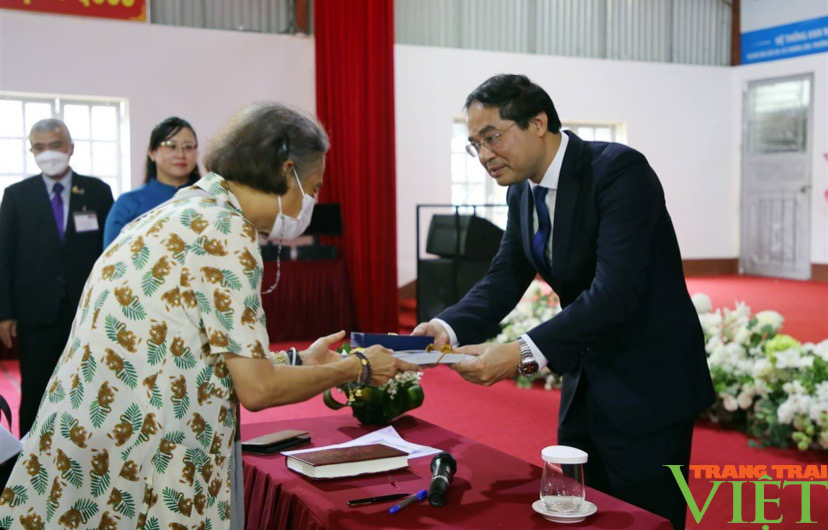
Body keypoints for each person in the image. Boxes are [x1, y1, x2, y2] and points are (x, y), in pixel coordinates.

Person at [0, 103, 418, 529]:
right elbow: (256, 389)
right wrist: (358, 366)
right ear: (286, 171)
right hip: (139, 456)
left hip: (87, 451)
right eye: (312, 186)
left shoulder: (180, 211)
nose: (311, 200)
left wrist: (299, 361)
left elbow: (188, 351)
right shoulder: (225, 232)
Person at [413, 74, 714, 530]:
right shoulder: (522, 191)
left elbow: (616, 294)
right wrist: (447, 328)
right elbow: (504, 278)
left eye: (492, 137)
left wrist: (519, 354)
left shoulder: (618, 172)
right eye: (474, 145)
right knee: (578, 512)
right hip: (585, 380)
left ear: (538, 123)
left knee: (645, 519)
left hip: (648, 382)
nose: (485, 156)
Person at [0, 118, 114, 438]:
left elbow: (111, 252)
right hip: (36, 312)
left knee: (90, 386)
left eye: (55, 145)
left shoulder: (97, 191)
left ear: (70, 148)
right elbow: (3, 259)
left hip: (88, 311)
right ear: (31, 151)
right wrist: (5, 313)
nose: (48, 153)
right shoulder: (17, 195)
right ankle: (28, 462)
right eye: (40, 147)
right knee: (36, 387)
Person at [103, 116, 201, 247]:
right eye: (171, 146)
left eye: (188, 147)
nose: (181, 154)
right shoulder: (129, 203)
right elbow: (111, 260)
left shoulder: (209, 199)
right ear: (152, 153)